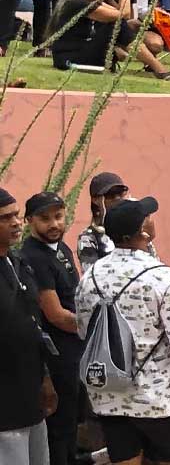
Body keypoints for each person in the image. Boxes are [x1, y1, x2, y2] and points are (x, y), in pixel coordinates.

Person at [75, 195, 170, 465]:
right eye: (148, 217)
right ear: (144, 232)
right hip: (159, 400)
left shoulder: (90, 277)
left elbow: (84, 331)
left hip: (110, 395)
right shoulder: (163, 277)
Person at [19, 191, 78, 465]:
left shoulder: (62, 249)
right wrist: (95, 328)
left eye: (58, 216)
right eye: (45, 218)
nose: (54, 224)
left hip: (75, 348)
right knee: (59, 425)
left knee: (72, 421)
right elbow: (56, 315)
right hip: (57, 355)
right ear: (30, 220)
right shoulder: (33, 257)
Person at [0, 187, 54, 465]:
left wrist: (44, 377)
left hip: (31, 391)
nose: (16, 223)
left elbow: (34, 324)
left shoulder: (18, 261)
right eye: (5, 218)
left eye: (17, 216)